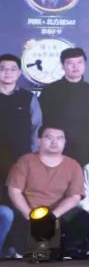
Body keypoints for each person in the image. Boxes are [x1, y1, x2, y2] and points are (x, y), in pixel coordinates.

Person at [6, 125, 89, 258]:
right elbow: (14, 191)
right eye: (49, 138)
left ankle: (70, 251)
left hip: (58, 215)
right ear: (39, 141)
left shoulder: (73, 165)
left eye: (59, 138)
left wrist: (52, 217)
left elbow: (75, 196)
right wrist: (30, 216)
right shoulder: (25, 161)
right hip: (29, 214)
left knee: (83, 218)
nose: (54, 142)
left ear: (64, 142)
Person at [38, 47, 89, 165]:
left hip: (84, 148)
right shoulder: (50, 90)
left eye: (79, 62)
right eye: (70, 63)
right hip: (56, 146)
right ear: (62, 66)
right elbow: (41, 120)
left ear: (85, 65)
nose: (75, 66)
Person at [0, 54, 42, 192]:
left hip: (20, 156)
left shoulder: (28, 98)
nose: (7, 72)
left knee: (17, 194)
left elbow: (36, 127)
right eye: (3, 69)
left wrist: (33, 155)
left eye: (12, 69)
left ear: (19, 73)